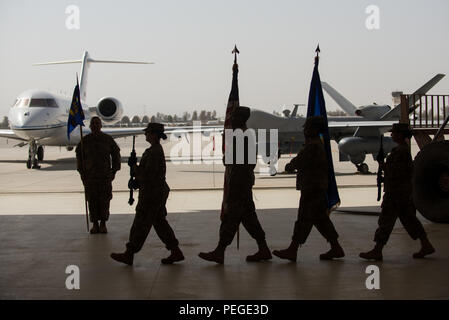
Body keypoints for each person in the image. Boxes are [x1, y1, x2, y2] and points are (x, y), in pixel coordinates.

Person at [198, 106, 272, 264]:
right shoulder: (245, 136)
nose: (230, 121)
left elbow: (228, 160)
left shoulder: (242, 137)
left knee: (230, 218)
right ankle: (263, 248)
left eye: (233, 118)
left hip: (239, 184)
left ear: (240, 119)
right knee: (249, 218)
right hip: (241, 182)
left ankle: (219, 251)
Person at [272, 116, 344, 262]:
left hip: (313, 188)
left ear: (314, 129)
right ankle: (336, 247)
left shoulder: (313, 146)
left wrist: (289, 166)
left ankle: (292, 250)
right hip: (315, 187)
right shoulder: (315, 143)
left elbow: (299, 161)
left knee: (304, 219)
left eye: (308, 127)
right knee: (320, 220)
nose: (305, 130)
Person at [111, 123, 184, 266]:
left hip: (151, 195)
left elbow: (148, 176)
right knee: (160, 223)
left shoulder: (154, 152)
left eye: (148, 132)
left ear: (154, 135)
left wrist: (134, 167)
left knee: (140, 223)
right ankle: (175, 251)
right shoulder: (153, 150)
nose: (146, 135)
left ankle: (129, 253)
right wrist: (136, 181)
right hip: (154, 192)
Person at [360, 123, 435, 261]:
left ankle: (377, 250)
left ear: (400, 135)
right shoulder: (401, 150)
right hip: (401, 192)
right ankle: (426, 244)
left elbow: (397, 172)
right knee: (410, 220)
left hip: (395, 193)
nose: (391, 134)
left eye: (394, 133)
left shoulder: (401, 152)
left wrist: (383, 166)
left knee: (386, 221)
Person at [76, 116, 121, 234]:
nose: (95, 126)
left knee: (104, 201)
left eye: (97, 124)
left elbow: (116, 155)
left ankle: (103, 224)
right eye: (93, 124)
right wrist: (82, 173)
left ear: (101, 126)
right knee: (92, 201)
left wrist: (114, 171)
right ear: (90, 126)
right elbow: (79, 158)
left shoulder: (107, 139)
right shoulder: (84, 141)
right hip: (90, 177)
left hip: (104, 177)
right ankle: (95, 224)